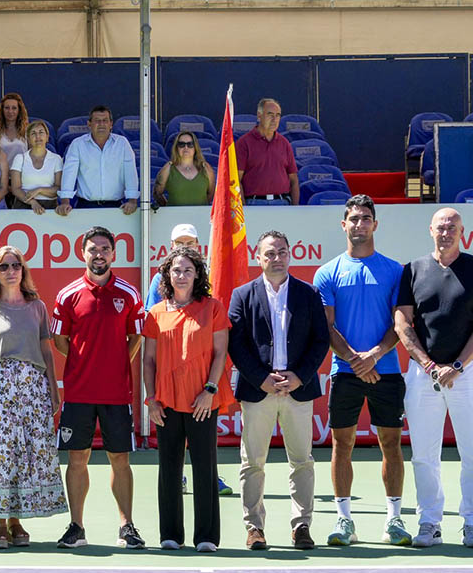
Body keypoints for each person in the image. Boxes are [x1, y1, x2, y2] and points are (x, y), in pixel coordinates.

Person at [315, 195, 410, 547]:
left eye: (365, 218)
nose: (359, 224)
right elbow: (326, 326)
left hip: (386, 372)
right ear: (344, 225)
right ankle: (344, 521)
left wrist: (374, 355)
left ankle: (395, 520)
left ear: (375, 224)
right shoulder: (328, 272)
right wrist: (357, 359)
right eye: (353, 219)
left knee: (391, 444)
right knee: (342, 444)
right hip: (345, 372)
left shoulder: (395, 271)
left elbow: (400, 323)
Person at [229, 231, 329, 551]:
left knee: (302, 461)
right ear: (257, 258)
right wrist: (261, 379)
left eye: (282, 252)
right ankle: (254, 527)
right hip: (258, 391)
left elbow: (320, 340)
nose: (276, 258)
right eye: (269, 253)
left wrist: (299, 376)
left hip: (298, 391)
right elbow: (236, 344)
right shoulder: (242, 295)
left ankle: (301, 526)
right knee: (253, 462)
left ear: (290, 255)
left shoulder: (309, 293)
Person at [51, 226, 146, 549]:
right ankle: (76, 526)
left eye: (105, 248)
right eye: (93, 249)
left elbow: (134, 339)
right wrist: (84, 360)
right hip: (79, 393)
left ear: (114, 254)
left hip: (117, 394)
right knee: (77, 458)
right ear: (83, 253)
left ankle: (126, 526)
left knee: (120, 459)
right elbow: (60, 340)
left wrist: (114, 361)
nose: (99, 254)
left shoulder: (129, 295)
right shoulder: (68, 295)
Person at [0, 245, 68, 548]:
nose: (11, 270)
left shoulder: (37, 307)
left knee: (25, 455)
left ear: (23, 270)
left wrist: (53, 387)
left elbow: (47, 351)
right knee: (0, 454)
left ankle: (16, 521)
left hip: (32, 390)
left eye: (16, 265)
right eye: (3, 266)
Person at [143, 246, 234, 552]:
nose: (181, 276)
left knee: (205, 467)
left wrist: (210, 390)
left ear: (198, 275)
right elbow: (149, 361)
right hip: (166, 403)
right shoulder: (156, 313)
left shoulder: (213, 308)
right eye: (176, 270)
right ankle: (170, 535)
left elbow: (221, 352)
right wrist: (152, 399)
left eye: (188, 270)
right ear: (167, 275)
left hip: (202, 402)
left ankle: (206, 537)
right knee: (168, 468)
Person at [394, 207, 473, 549]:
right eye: (441, 227)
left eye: (452, 227)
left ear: (462, 231)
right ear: (430, 230)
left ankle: (471, 522)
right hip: (423, 377)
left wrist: (456, 366)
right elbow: (402, 323)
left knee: (471, 452)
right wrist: (428, 365)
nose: (446, 232)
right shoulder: (412, 270)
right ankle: (429, 524)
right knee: (424, 455)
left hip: (466, 375)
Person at [57, 105, 138, 216]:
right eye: (97, 121)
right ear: (89, 124)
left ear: (111, 124)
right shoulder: (78, 144)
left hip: (116, 207)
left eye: (105, 120)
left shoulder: (122, 143)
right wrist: (65, 202)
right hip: (86, 206)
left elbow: (130, 173)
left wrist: (132, 201)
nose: (101, 124)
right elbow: (69, 174)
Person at [235, 98, 300, 205]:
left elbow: (294, 180)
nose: (274, 119)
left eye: (278, 115)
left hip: (282, 203)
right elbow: (237, 180)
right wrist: (244, 209)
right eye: (270, 114)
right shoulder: (244, 143)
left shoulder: (284, 143)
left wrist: (295, 208)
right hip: (254, 204)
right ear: (259, 115)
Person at [9, 120, 62, 214]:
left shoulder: (56, 159)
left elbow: (58, 188)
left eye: (41, 132)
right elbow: (16, 189)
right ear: (28, 139)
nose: (38, 136)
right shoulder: (20, 158)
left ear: (47, 137)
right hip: (24, 205)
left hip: (50, 207)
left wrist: (39, 190)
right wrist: (33, 202)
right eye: (33, 133)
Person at [153, 131, 215, 206]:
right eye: (181, 144)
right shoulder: (168, 168)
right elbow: (157, 194)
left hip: (200, 216)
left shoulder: (206, 168)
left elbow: (210, 195)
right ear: (176, 148)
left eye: (190, 144)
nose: (186, 147)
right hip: (175, 216)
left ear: (195, 147)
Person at [0, 92, 29, 168]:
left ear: (19, 110)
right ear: (2, 110)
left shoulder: (27, 131)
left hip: (21, 175)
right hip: (1, 175)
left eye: (14, 108)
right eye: (7, 108)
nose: (10, 111)